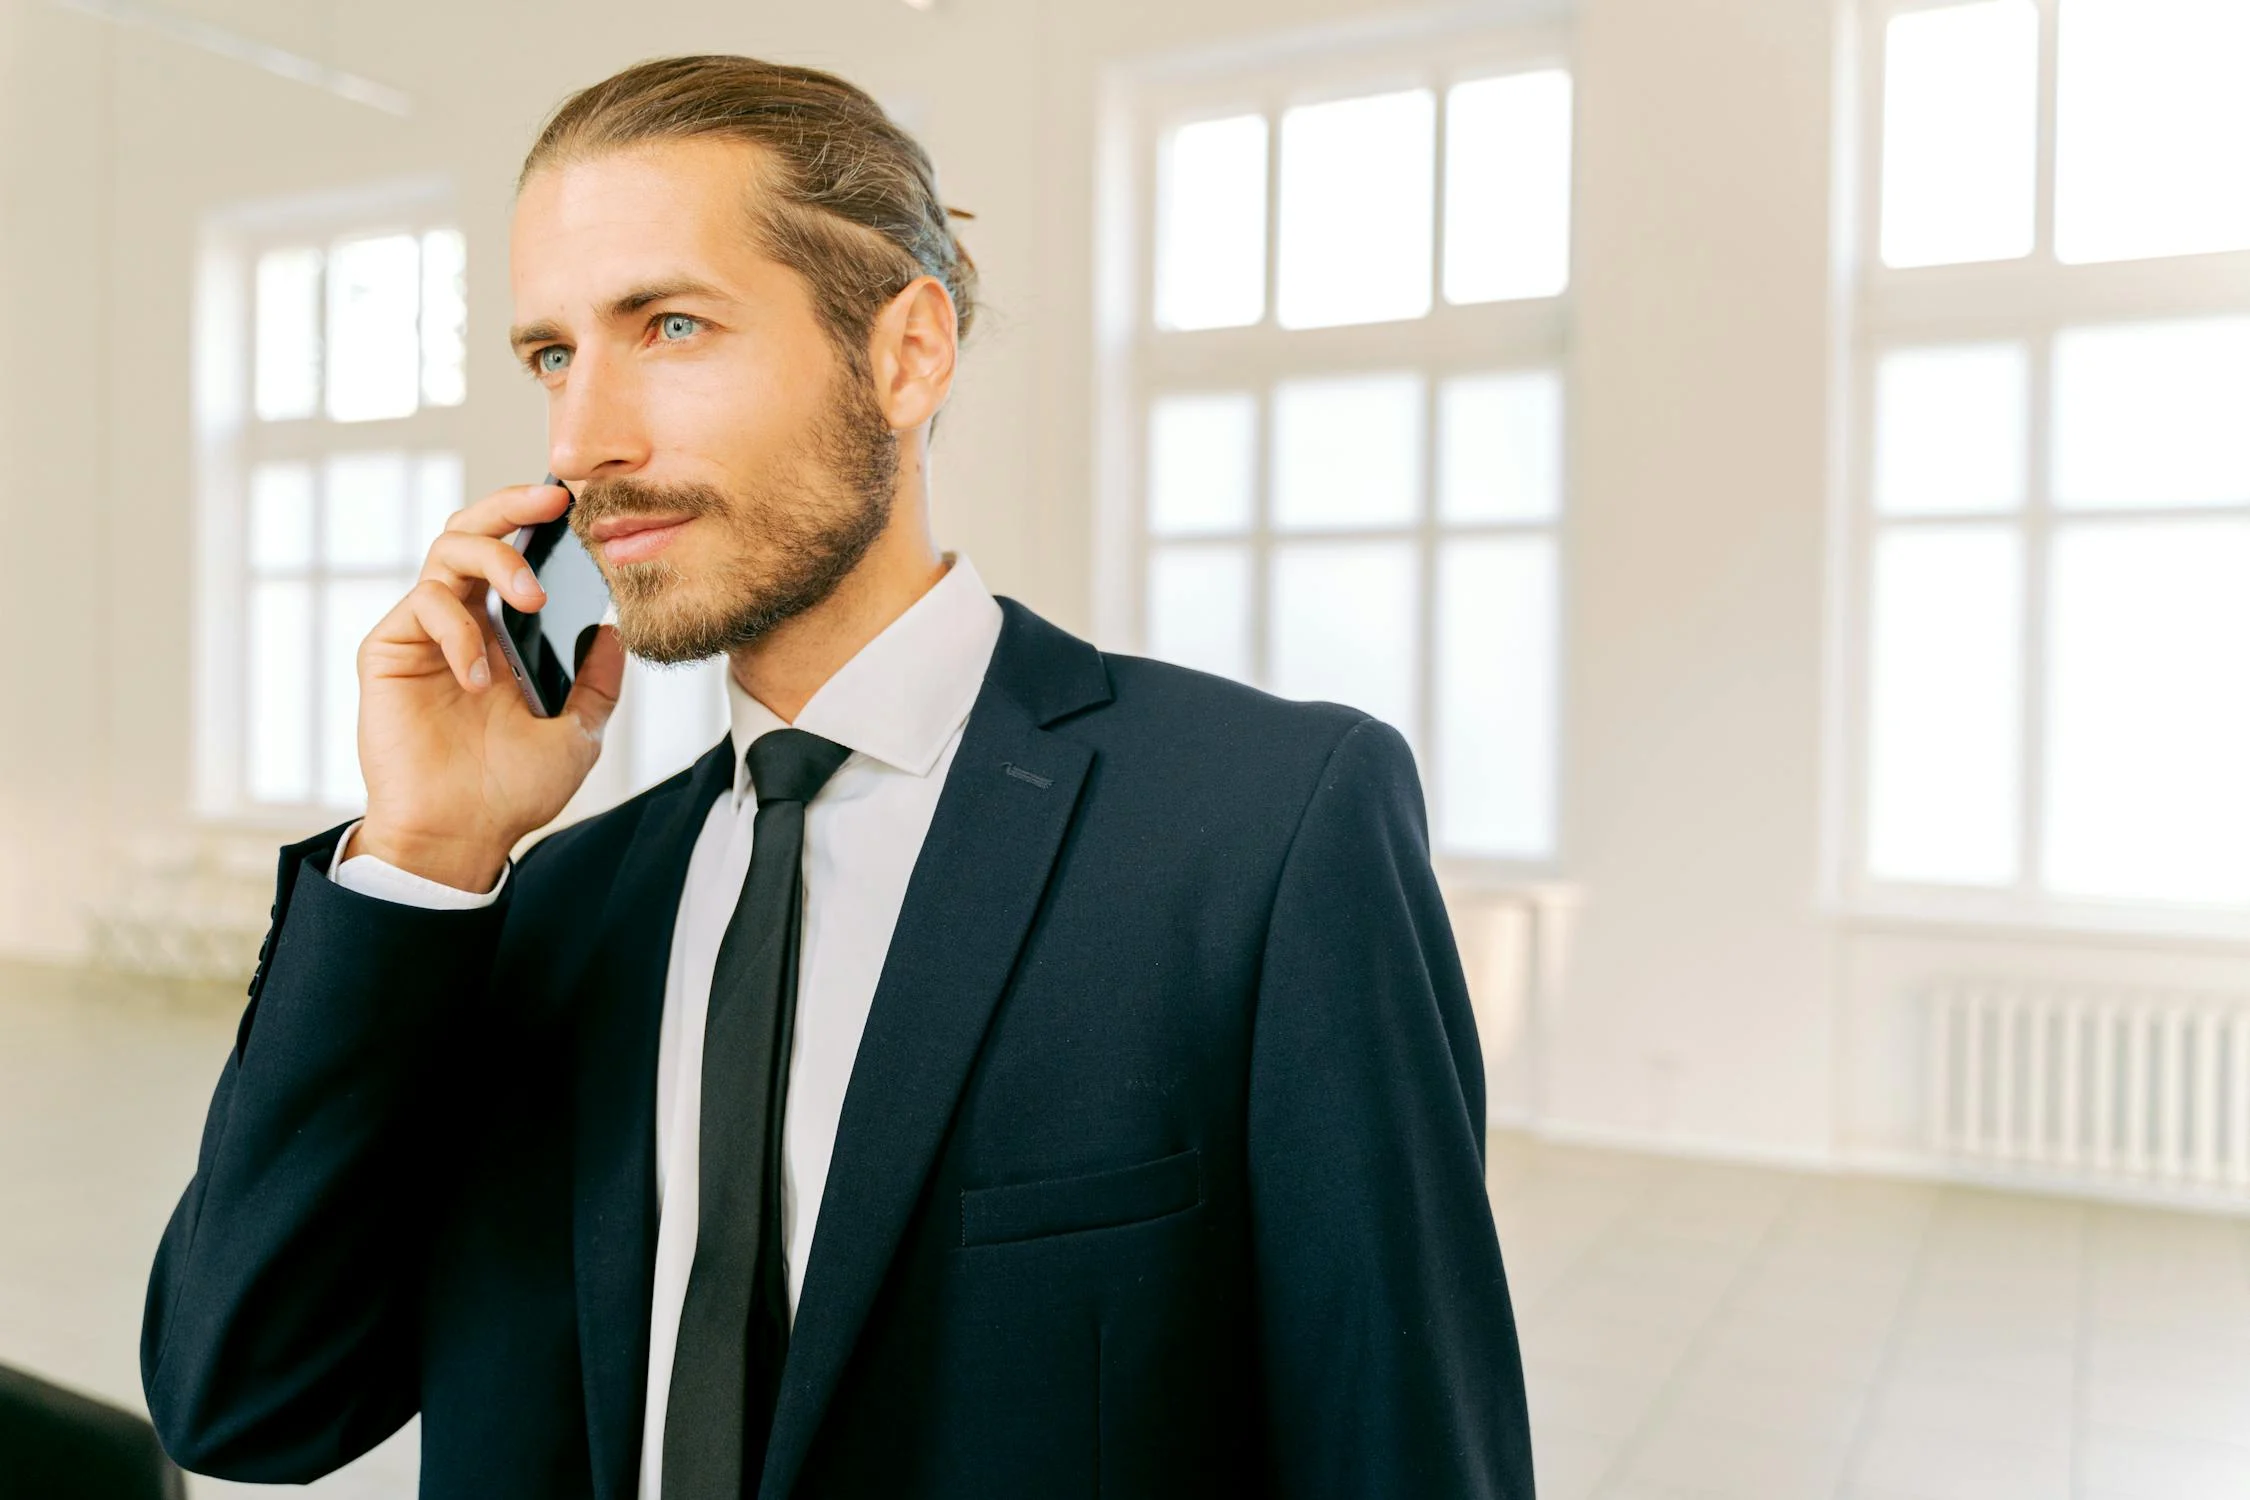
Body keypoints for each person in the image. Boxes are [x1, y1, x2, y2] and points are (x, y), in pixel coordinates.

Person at [140, 54, 1533, 1500]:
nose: (578, 444)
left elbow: (1405, 1447)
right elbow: (244, 1401)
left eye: (669, 325)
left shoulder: (1264, 829)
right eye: (553, 356)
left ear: (906, 353)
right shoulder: (551, 908)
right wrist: (423, 857)